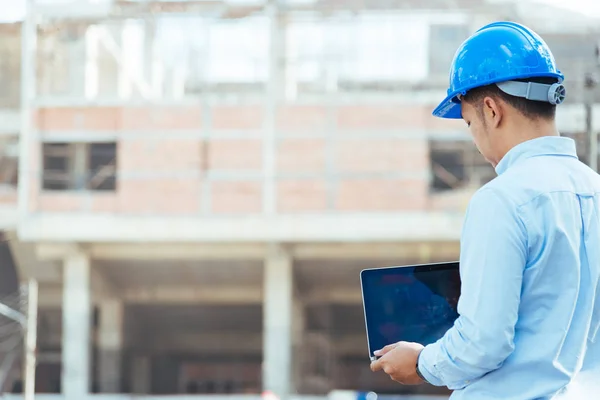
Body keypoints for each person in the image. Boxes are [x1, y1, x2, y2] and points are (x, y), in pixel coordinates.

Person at [370, 21, 600, 399]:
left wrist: (421, 362)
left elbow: (484, 341)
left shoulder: (503, 199)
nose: (475, 138)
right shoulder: (594, 192)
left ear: (491, 110)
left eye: (469, 122)